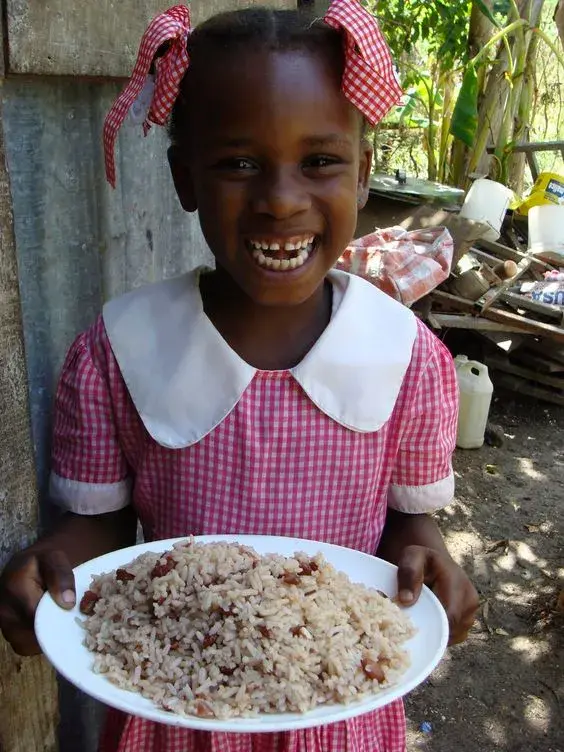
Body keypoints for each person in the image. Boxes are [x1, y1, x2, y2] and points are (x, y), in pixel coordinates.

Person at [0, 2, 479, 750]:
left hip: (338, 703)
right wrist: (54, 572)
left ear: (363, 174)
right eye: (238, 163)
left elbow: (406, 527)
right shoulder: (118, 352)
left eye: (320, 161)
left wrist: (431, 561)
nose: (281, 200)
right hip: (174, 709)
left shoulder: (406, 358)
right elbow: (96, 529)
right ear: (184, 176)